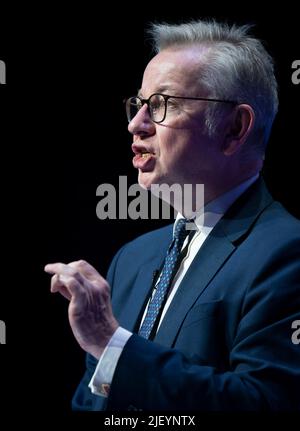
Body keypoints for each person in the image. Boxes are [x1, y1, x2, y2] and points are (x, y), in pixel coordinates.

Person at [45, 19, 300, 411]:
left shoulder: (287, 252)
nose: (136, 124)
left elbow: (264, 403)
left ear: (235, 128)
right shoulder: (131, 259)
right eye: (139, 104)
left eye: (163, 104)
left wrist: (112, 344)